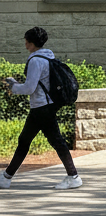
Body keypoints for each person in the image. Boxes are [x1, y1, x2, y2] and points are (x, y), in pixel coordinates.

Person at [0, 27, 81, 190]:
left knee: (54, 142)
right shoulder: (47, 57)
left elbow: (30, 88)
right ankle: (6, 177)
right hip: (43, 107)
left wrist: (13, 87)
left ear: (30, 43)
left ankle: (74, 176)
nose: (25, 45)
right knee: (25, 141)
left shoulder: (36, 60)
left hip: (42, 107)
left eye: (26, 41)